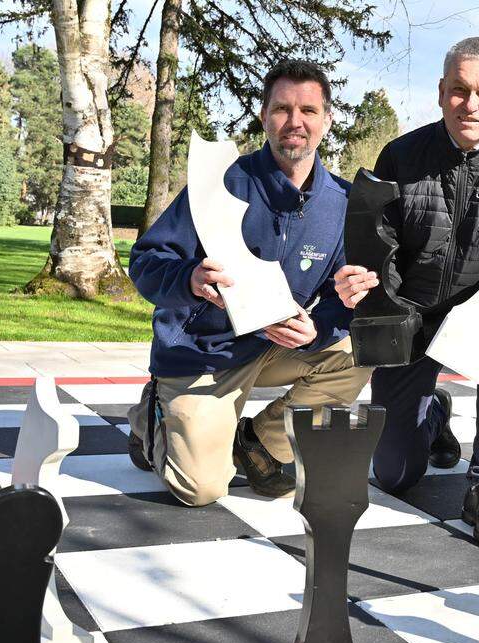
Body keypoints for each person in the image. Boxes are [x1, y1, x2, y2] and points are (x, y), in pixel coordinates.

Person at [333, 37, 479, 549]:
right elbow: (376, 244)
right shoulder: (400, 155)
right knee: (394, 475)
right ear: (440, 92)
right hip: (412, 316)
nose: (470, 105)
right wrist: (371, 289)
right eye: (458, 90)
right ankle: (433, 415)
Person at [125, 60, 370, 507]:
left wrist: (320, 328)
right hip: (206, 352)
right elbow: (144, 261)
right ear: (264, 116)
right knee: (200, 489)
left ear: (327, 120)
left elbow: (341, 294)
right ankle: (152, 415)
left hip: (274, 347)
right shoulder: (219, 184)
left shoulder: (343, 203)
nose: (295, 122)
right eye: (282, 109)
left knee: (359, 353)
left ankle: (257, 437)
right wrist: (189, 277)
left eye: (309, 110)